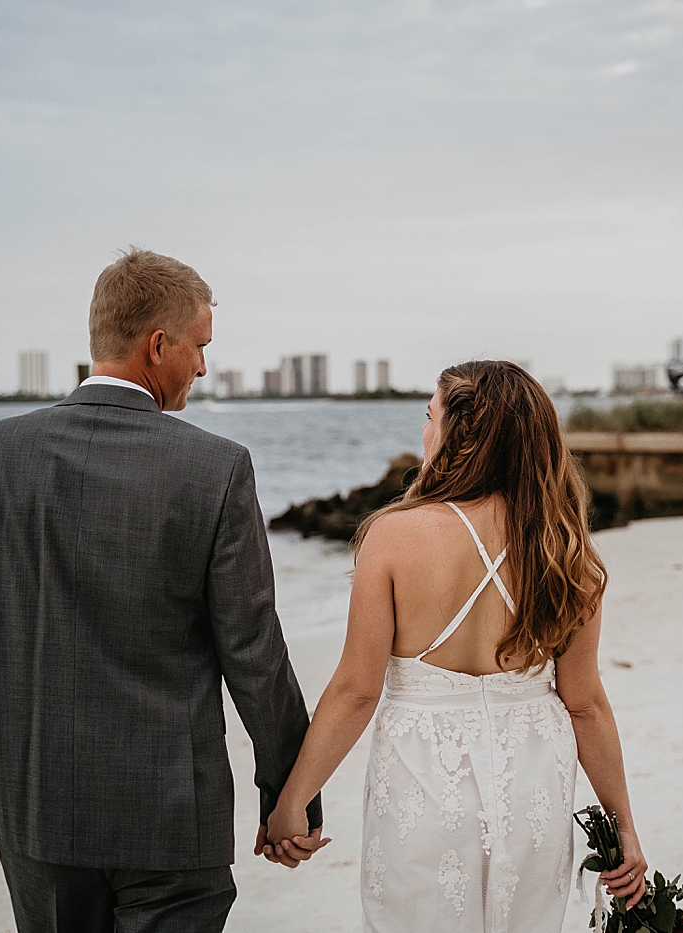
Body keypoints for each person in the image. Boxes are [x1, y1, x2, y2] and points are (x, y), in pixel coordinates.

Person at [0, 248, 324, 933]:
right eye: (199, 346)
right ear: (157, 344)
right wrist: (289, 794)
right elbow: (254, 651)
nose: (202, 366)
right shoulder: (216, 468)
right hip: (172, 817)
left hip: (36, 809)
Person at [263, 360, 647, 933]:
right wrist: (625, 829)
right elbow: (585, 703)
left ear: (460, 431)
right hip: (533, 779)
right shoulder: (564, 549)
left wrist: (294, 798)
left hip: (425, 772)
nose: (423, 431)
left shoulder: (394, 535)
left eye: (429, 415)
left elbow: (355, 690)